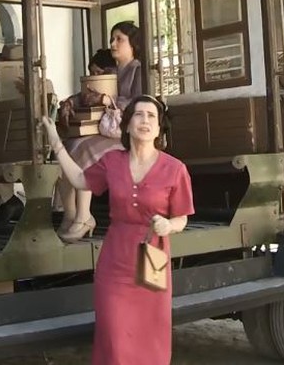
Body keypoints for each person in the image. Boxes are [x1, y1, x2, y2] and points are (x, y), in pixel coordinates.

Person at [41, 95, 193, 365]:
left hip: (153, 261)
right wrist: (55, 140)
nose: (144, 120)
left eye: (151, 116)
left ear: (159, 128)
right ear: (127, 124)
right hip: (115, 261)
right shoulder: (112, 161)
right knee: (114, 335)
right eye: (138, 114)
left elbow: (182, 218)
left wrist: (168, 225)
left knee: (151, 335)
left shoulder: (175, 169)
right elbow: (79, 179)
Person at [56, 21, 142, 242]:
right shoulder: (111, 71)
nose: (113, 43)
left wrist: (107, 99)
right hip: (106, 132)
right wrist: (70, 101)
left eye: (119, 39)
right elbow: (88, 92)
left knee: (84, 150)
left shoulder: (138, 70)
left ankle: (85, 215)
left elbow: (139, 103)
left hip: (127, 136)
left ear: (132, 44)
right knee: (66, 151)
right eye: (112, 39)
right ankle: (71, 213)